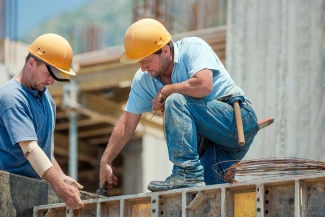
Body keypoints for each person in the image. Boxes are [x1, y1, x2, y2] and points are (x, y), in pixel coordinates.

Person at [99, 18, 259, 192]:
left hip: (237, 120)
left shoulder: (192, 48)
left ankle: (186, 173)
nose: (143, 68)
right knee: (211, 196)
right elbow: (127, 123)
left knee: (175, 100)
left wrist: (168, 89)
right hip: (210, 143)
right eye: (140, 63)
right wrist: (105, 160)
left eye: (146, 62)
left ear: (165, 50)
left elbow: (204, 85)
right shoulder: (143, 80)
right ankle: (189, 175)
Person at [0, 33, 84, 209]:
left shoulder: (47, 99)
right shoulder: (11, 98)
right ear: (31, 63)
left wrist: (61, 176)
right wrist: (60, 187)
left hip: (32, 187)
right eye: (49, 73)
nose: (51, 81)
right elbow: (30, 149)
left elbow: (41, 149)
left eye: (55, 76)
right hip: (6, 189)